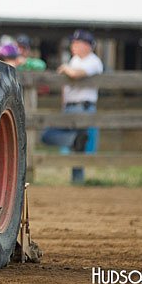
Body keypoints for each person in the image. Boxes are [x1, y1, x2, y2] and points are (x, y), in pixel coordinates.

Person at [41, 29, 103, 183]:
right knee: (48, 136)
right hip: (70, 106)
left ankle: (78, 180)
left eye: (77, 43)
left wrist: (65, 68)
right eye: (73, 42)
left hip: (83, 107)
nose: (73, 45)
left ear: (88, 45)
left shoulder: (93, 60)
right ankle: (74, 140)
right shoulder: (75, 60)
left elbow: (77, 74)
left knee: (78, 148)